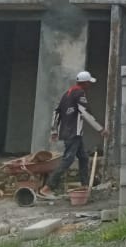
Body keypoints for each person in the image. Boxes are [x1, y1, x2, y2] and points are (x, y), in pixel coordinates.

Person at [38, 71, 109, 199]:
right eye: (89, 83)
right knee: (68, 160)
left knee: (83, 157)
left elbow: (56, 112)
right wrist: (100, 129)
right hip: (73, 133)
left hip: (68, 132)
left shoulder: (67, 94)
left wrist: (54, 130)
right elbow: (85, 112)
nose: (89, 85)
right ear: (85, 83)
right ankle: (47, 188)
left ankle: (84, 185)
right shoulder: (79, 93)